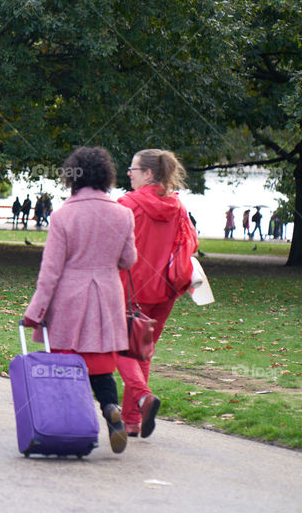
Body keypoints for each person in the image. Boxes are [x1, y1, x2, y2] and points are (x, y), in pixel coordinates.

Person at [23, 147, 137, 454]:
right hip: (107, 299)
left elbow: (50, 272)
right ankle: (111, 407)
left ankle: (72, 427)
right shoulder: (124, 214)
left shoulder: (63, 216)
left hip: (70, 302)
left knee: (67, 368)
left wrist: (35, 311)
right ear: (106, 176)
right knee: (101, 367)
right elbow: (128, 259)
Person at [116, 149, 198, 439]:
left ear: (148, 174)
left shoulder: (127, 204)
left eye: (133, 169)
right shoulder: (177, 207)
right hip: (165, 291)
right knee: (142, 353)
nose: (129, 173)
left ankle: (142, 398)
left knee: (121, 349)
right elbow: (192, 242)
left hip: (130, 289)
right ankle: (131, 421)